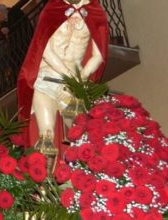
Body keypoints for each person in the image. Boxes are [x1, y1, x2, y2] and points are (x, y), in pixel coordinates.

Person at [17, 0, 109, 154]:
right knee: (46, 137)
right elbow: (43, 48)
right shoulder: (53, 9)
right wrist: (69, 76)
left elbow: (99, 54)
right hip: (48, 78)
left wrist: (80, 79)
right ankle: (46, 177)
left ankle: (79, 175)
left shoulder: (95, 12)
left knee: (81, 136)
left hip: (75, 83)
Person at [0, 3, 33, 87]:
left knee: (28, 64)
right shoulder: (3, 23)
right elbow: (1, 35)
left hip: (25, 42)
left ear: (3, 11)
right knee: (18, 67)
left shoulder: (15, 12)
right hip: (15, 49)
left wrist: (9, 29)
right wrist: (2, 31)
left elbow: (21, 24)